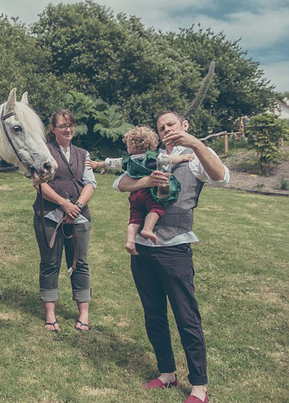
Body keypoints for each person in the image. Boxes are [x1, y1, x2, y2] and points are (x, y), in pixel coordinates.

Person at [114, 111, 229, 403]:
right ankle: (167, 373)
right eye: (161, 127)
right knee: (153, 314)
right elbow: (120, 184)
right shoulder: (149, 154)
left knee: (186, 316)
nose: (166, 129)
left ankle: (199, 386)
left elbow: (222, 177)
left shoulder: (193, 154)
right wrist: (145, 181)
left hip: (175, 247)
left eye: (171, 125)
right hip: (142, 247)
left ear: (185, 126)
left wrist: (195, 143)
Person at [32, 109, 96, 332]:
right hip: (49, 215)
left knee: (80, 264)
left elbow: (90, 184)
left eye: (71, 125)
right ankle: (50, 315)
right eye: (62, 126)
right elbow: (39, 184)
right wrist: (63, 203)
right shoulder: (43, 152)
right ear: (53, 129)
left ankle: (84, 315)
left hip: (79, 216)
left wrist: (76, 206)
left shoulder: (83, 154)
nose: (68, 129)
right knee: (50, 263)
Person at [87, 126, 195, 254]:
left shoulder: (128, 160)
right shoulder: (153, 158)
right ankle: (147, 229)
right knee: (156, 209)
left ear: (132, 147)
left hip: (135, 194)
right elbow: (170, 160)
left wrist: (96, 164)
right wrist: (183, 158)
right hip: (149, 193)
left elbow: (111, 163)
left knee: (135, 218)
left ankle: (130, 241)